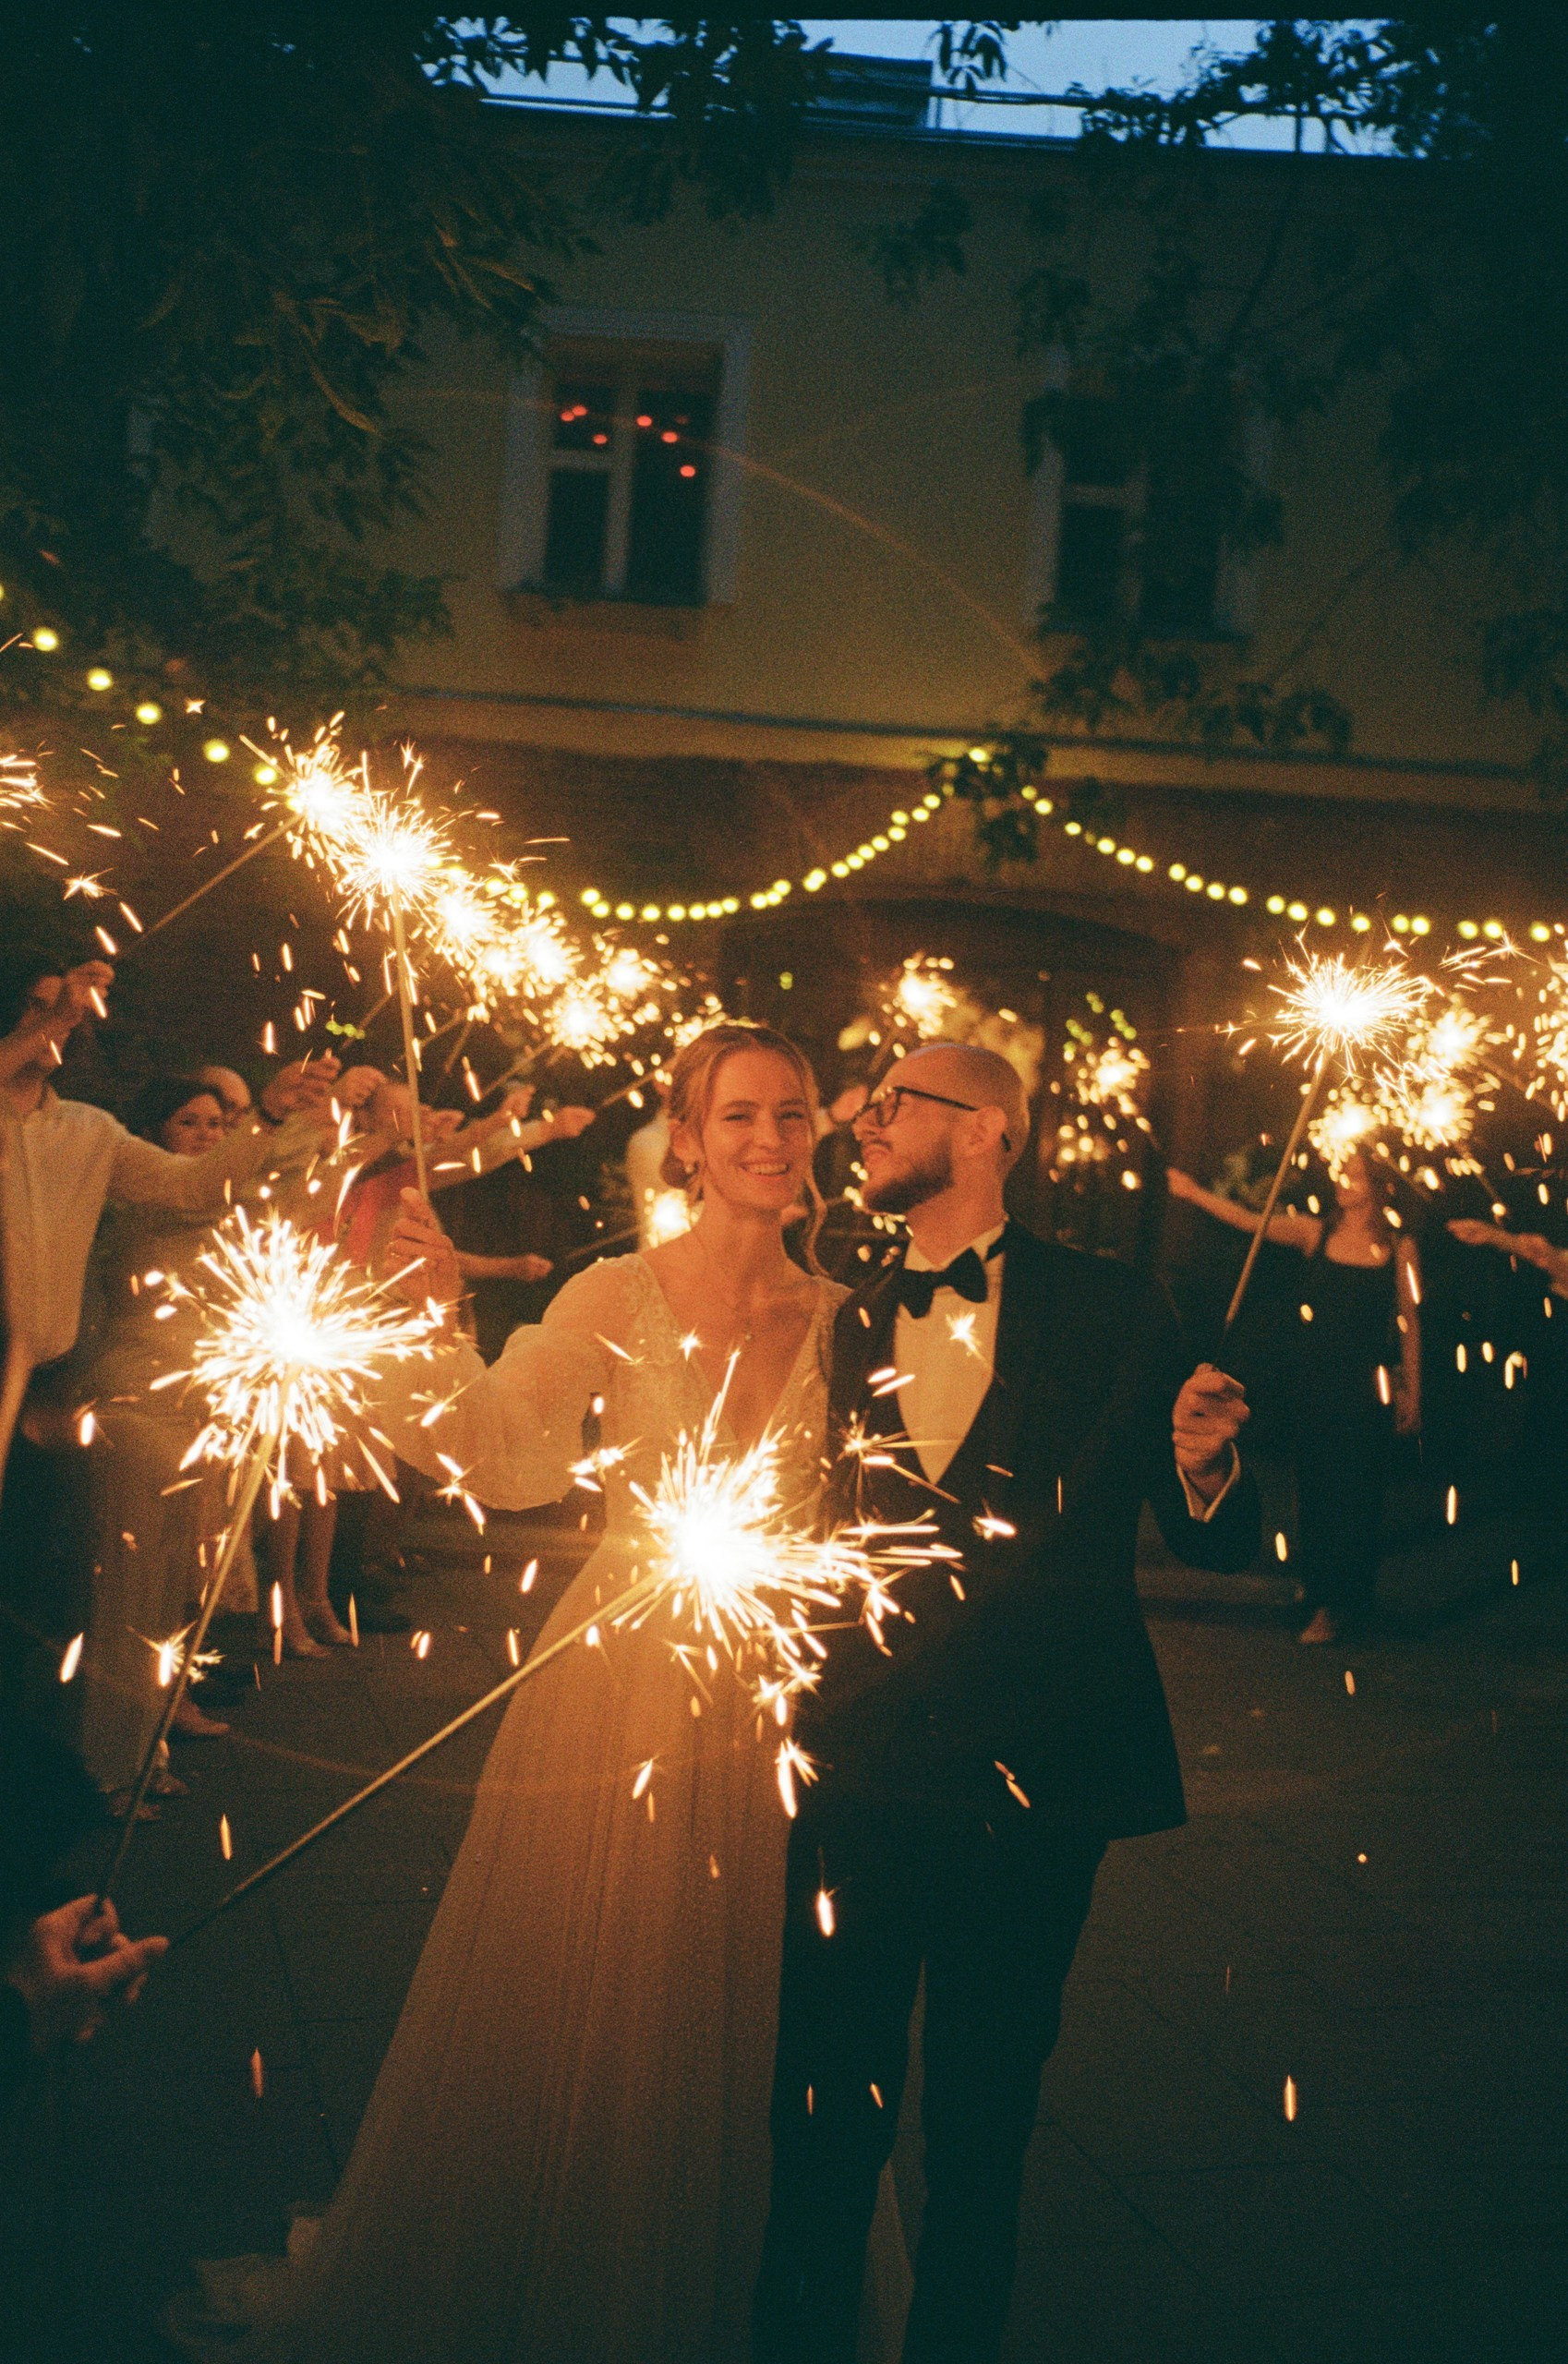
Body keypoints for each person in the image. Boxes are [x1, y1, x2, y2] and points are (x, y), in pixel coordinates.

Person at [170, 1021, 880, 2364]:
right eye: (738, 1115)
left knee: (766, 1990)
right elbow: (505, 1460)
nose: (770, 1139)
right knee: (607, 1974)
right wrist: (435, 1320)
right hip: (622, 1679)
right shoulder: (617, 1290)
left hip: (787, 1694)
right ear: (688, 1139)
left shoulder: (851, 1317)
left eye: (791, 1113)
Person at [753, 1043, 1257, 2364]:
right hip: (859, 1766)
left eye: (892, 1103)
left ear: (985, 1130)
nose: (863, 1122)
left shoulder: (1115, 1304)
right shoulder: (852, 1315)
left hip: (1036, 1782)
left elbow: (1210, 1538)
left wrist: (1205, 1465)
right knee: (821, 2113)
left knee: (983, 2125)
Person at [0, 936, 337, 1729]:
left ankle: (62, 1767)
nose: (62, 1019)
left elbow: (193, 1188)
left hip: (37, 1388)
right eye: (38, 1007)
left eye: (68, 1008)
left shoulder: (88, 1130)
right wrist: (46, 1022)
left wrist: (268, 1117)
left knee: (35, 1596)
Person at [1169, 1143, 1421, 1642]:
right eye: (1342, 1171)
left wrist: (1413, 1390)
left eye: (1355, 1175)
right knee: (1315, 1490)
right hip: (1315, 1381)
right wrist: (1194, 1193)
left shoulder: (1400, 1248)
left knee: (1357, 1494)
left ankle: (1345, 1601)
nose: (1343, 1180)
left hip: (1366, 1387)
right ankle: (1319, 1590)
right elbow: (1251, 1222)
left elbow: (1410, 1323)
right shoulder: (1315, 1233)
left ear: (1378, 1186)